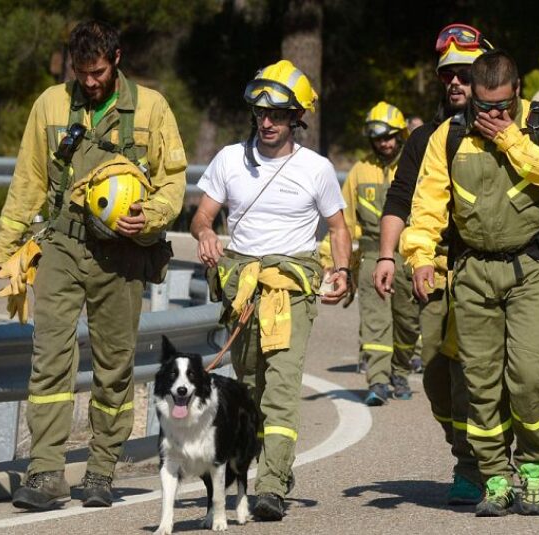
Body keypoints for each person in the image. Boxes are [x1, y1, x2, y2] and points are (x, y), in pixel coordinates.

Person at [0, 19, 187, 511]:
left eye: (97, 71)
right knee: (50, 359)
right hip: (62, 247)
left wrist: (152, 217)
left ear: (116, 59)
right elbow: (28, 179)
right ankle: (46, 472)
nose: (90, 81)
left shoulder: (152, 108)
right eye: (81, 72)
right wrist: (4, 247)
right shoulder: (51, 104)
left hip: (122, 255)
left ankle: (101, 470)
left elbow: (173, 183)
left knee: (114, 367)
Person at [402, 50, 539, 516]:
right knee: (480, 384)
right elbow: (426, 206)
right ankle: (495, 477)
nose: (492, 115)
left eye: (501, 106)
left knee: (527, 377)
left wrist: (510, 140)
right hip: (473, 272)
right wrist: (421, 257)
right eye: (483, 107)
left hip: (531, 270)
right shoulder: (450, 135)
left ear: (518, 91)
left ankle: (532, 466)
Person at [191, 59, 350, 521]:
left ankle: (273, 484)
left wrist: (341, 269)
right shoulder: (228, 160)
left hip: (291, 289)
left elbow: (338, 227)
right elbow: (202, 216)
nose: (267, 122)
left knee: (281, 385)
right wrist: (204, 233)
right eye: (261, 113)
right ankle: (262, 463)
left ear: (296, 117)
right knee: (251, 387)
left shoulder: (316, 169)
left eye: (278, 114)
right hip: (242, 287)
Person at [374, 23, 494, 505]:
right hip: (432, 268)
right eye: (448, 77)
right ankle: (464, 449)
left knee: (474, 374)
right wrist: (387, 256)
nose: (456, 84)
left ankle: (478, 466)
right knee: (438, 381)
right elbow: (399, 200)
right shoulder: (424, 138)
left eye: (464, 74)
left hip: (487, 272)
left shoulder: (501, 132)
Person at [327, 101, 418, 406]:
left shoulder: (415, 166)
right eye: (379, 138)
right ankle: (377, 381)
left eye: (391, 136)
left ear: (402, 134)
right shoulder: (359, 171)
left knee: (408, 323)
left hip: (408, 257)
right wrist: (334, 263)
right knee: (375, 322)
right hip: (369, 257)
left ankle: (400, 372)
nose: (385, 143)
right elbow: (344, 222)